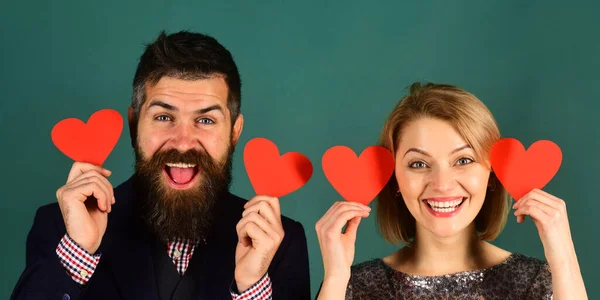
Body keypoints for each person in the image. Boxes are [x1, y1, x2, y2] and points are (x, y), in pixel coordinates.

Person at [11, 30, 311, 300]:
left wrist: (252, 290)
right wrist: (77, 253)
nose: (183, 141)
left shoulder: (280, 243)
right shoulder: (61, 226)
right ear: (133, 125)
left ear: (234, 133)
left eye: (205, 120)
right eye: (164, 117)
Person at [315, 82, 587, 299]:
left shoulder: (534, 282)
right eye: (419, 164)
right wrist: (336, 278)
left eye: (463, 160)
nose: (442, 184)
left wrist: (563, 254)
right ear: (394, 178)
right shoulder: (357, 286)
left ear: (492, 172)